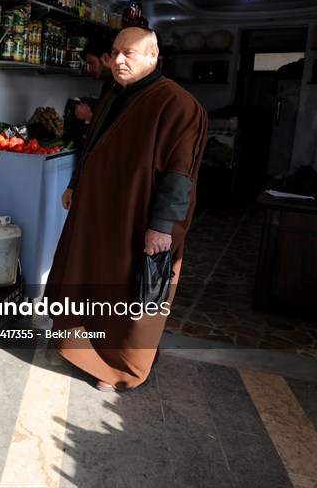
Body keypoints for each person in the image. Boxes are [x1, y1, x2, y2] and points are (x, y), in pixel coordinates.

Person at [44, 26, 208, 391]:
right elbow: (93, 144)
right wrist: (74, 184)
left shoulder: (178, 104)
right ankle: (85, 348)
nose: (118, 60)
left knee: (127, 292)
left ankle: (122, 368)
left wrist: (162, 225)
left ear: (153, 55)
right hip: (97, 214)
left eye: (129, 53)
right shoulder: (115, 93)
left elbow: (180, 173)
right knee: (87, 280)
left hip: (137, 219)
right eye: (116, 52)